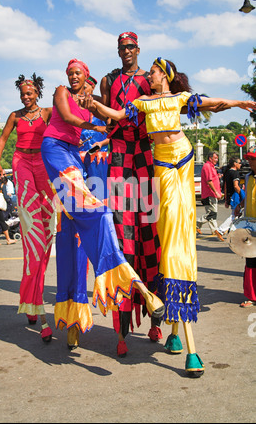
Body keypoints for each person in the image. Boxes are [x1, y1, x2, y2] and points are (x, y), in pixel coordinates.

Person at [82, 56, 256, 375]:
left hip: (183, 161)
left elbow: (211, 104)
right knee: (169, 236)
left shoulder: (179, 99)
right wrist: (93, 105)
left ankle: (182, 335)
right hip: (161, 167)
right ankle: (175, 332)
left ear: (164, 74)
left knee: (178, 236)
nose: (148, 75)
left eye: (153, 71)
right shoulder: (143, 102)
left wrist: (239, 102)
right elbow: (118, 115)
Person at [41, 58, 164, 350]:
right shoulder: (65, 97)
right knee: (78, 234)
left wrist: (102, 124)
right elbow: (68, 119)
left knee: (144, 235)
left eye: (79, 74)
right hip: (71, 168)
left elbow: (117, 122)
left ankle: (154, 318)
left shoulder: (103, 109)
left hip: (104, 172)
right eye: (71, 73)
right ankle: (77, 315)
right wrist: (95, 128)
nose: (74, 78)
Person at [99, 32, 162, 356]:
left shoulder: (149, 80)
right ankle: (122, 331)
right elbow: (105, 119)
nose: (126, 52)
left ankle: (157, 320)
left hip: (145, 156)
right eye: (121, 48)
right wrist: (97, 139)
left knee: (150, 236)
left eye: (130, 47)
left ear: (138, 49)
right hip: (120, 156)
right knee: (124, 239)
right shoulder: (109, 81)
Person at [0, 73, 56, 343]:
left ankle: (31, 297)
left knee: (49, 229)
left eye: (29, 93)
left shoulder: (48, 113)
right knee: (32, 237)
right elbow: (3, 139)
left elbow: (67, 122)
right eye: (22, 94)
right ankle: (33, 301)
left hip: (43, 164)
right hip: (21, 163)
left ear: (37, 93)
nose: (25, 97)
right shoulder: (15, 116)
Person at [79, 75, 109, 202]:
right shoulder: (73, 110)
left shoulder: (103, 109)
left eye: (84, 87)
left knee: (99, 195)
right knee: (80, 196)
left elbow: (114, 135)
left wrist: (101, 143)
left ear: (93, 88)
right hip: (79, 158)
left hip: (98, 159)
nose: (82, 91)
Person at [235, 145, 256, 308]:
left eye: (253, 159)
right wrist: (239, 205)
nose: (250, 162)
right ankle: (250, 296)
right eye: (249, 159)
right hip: (250, 225)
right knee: (250, 260)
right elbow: (248, 196)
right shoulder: (248, 177)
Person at [196, 152, 223, 240]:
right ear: (210, 158)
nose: (216, 160)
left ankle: (214, 231)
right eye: (215, 158)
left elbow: (212, 178)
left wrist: (218, 177)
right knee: (212, 213)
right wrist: (216, 192)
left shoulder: (211, 167)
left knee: (212, 213)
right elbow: (209, 181)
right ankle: (197, 223)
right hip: (210, 193)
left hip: (211, 193)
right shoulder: (207, 166)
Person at [216, 157, 244, 239]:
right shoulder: (235, 173)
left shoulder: (227, 172)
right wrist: (242, 194)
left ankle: (230, 230)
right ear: (235, 163)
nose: (240, 164)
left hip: (230, 195)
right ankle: (221, 230)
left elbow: (225, 186)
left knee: (237, 215)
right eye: (239, 163)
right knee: (234, 215)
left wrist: (226, 198)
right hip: (235, 196)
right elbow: (236, 186)